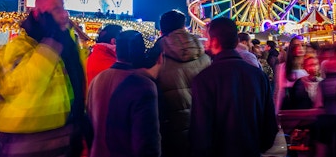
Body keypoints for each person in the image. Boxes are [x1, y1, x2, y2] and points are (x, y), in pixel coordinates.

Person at [0, 0, 87, 157]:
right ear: (37, 14)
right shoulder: (19, 46)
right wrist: (52, 41)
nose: (63, 14)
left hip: (62, 135)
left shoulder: (67, 44)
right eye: (55, 9)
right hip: (24, 139)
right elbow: (28, 84)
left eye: (63, 8)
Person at [189, 17, 278, 157]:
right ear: (237, 41)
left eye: (207, 39)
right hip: (251, 150)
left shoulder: (203, 79)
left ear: (214, 41)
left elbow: (200, 132)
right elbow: (270, 126)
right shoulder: (258, 76)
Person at [87, 30, 163, 157]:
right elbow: (146, 142)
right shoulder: (143, 85)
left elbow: (88, 127)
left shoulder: (98, 79)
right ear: (140, 52)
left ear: (117, 50)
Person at [155, 9, 210, 157]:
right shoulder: (204, 55)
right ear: (184, 26)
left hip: (170, 127)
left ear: (161, 30)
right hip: (201, 126)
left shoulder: (156, 56)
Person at [274, 36, 307, 111]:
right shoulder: (283, 67)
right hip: (291, 108)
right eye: (296, 46)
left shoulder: (309, 65)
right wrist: (276, 112)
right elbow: (280, 91)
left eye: (302, 45)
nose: (300, 48)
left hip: (307, 108)